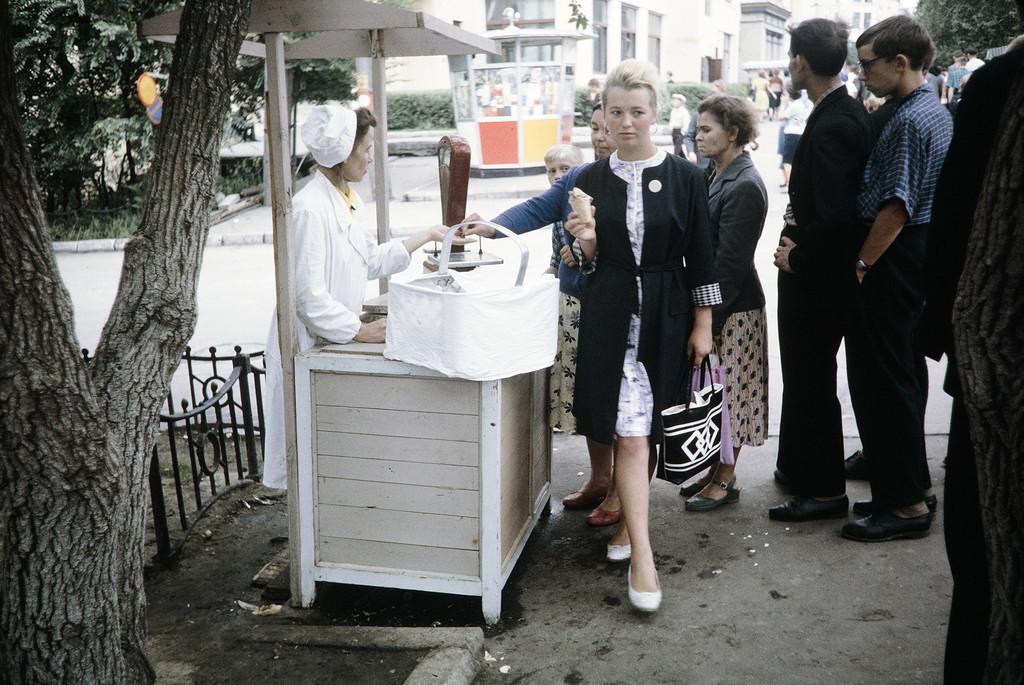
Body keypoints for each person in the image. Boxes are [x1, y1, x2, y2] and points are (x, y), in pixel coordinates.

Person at [565, 59, 719, 612]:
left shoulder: (685, 174)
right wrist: (583, 241)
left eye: (636, 112)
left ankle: (629, 529)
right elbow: (584, 262)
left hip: (667, 313)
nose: (625, 122)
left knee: (650, 428)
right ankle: (644, 559)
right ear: (602, 115)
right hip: (609, 313)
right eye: (615, 112)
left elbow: (702, 257)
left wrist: (704, 325)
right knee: (628, 432)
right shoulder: (589, 179)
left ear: (656, 113)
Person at [261, 105, 468, 489]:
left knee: (330, 457)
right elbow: (306, 298)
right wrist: (358, 331)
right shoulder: (309, 209)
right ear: (342, 153)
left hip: (331, 340)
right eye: (367, 149)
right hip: (307, 345)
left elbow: (370, 261)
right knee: (307, 461)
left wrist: (428, 235)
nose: (372, 157)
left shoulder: (344, 198)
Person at [916, 10, 1024, 676]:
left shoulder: (998, 88)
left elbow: (946, 218)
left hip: (997, 367)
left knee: (984, 556)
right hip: (989, 354)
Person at [463, 106, 624, 528]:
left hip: (621, 305)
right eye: (595, 128)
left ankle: (623, 491)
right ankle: (601, 477)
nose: (601, 137)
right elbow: (537, 209)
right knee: (586, 396)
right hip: (576, 300)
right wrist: (491, 227)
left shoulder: (639, 177)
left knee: (620, 401)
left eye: (609, 128)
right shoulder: (578, 178)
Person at [839, 15, 952, 542]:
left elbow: (896, 208)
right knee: (901, 375)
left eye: (868, 65)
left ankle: (904, 505)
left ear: (900, 64)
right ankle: (908, 484)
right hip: (911, 259)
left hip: (893, 257)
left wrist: (861, 265)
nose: (861, 74)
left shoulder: (909, 119)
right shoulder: (929, 107)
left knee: (883, 380)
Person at [768, 18, 874, 523]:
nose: (788, 66)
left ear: (801, 63)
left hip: (816, 279)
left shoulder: (834, 121)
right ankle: (804, 468)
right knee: (808, 378)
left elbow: (838, 217)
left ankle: (826, 490)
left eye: (791, 58)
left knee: (811, 379)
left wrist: (799, 258)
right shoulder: (836, 111)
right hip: (816, 275)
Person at [677, 94, 768, 512]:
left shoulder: (745, 184)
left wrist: (709, 320)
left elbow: (729, 265)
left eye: (707, 129)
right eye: (698, 128)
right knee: (712, 394)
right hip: (717, 306)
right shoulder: (715, 173)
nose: (698, 135)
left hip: (733, 309)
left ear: (733, 133)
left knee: (732, 397)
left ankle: (727, 480)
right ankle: (714, 469)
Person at [684, 79, 726, 170]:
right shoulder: (696, 116)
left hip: (718, 164)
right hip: (700, 163)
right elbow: (689, 136)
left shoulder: (723, 118)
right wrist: (691, 152)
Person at [777, 85, 812, 189]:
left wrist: (783, 105)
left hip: (791, 134)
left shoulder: (794, 106)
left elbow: (780, 117)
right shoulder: (800, 104)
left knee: (787, 162)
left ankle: (790, 186)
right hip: (799, 133)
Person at [669, 93, 688, 157]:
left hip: (680, 131)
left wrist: (683, 132)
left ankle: (674, 163)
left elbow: (686, 122)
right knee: (679, 149)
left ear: (681, 102)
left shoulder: (683, 111)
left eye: (676, 101)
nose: (674, 102)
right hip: (674, 130)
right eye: (674, 100)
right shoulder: (673, 111)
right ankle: (685, 161)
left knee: (677, 150)